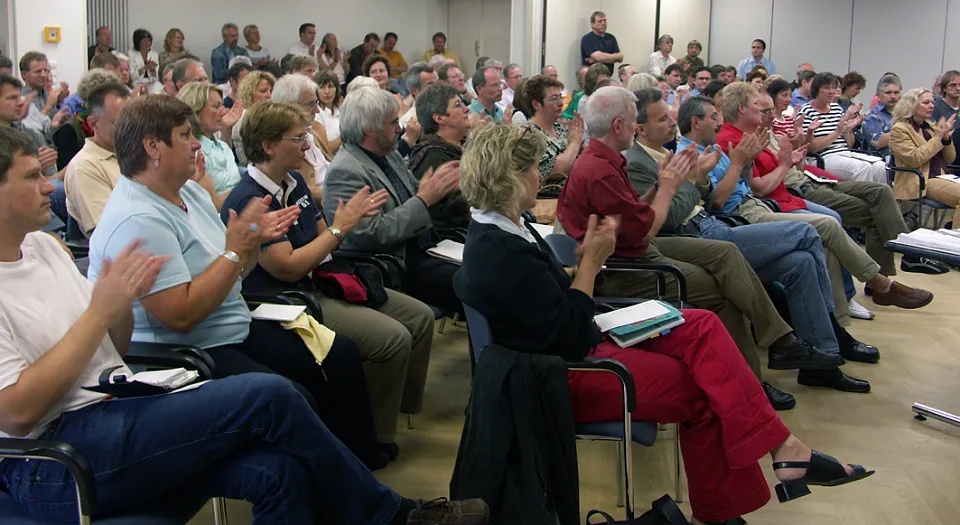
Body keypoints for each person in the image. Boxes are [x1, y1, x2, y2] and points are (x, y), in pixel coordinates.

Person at [0, 123, 489, 525]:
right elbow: (18, 414)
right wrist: (102, 311)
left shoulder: (45, 246)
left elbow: (114, 346)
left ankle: (387, 512)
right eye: (30, 178)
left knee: (282, 473)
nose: (50, 184)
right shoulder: (130, 219)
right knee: (271, 394)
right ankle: (391, 515)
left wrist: (118, 307)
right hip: (52, 460)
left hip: (120, 400)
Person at [454, 120, 873, 525]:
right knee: (706, 388)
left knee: (702, 324)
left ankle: (782, 452)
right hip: (559, 374)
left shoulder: (510, 229)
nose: (538, 176)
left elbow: (540, 299)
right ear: (507, 178)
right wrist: (591, 267)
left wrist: (578, 267)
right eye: (529, 169)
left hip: (569, 346)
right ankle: (736, 496)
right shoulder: (499, 248)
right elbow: (566, 333)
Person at [85, 95, 381, 470]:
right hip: (191, 350)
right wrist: (234, 252)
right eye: (184, 134)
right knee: (296, 397)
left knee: (339, 356)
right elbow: (181, 317)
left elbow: (233, 275)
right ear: (152, 147)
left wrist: (249, 248)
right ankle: (344, 492)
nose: (196, 144)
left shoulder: (189, 192)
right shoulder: (138, 219)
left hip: (231, 326)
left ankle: (359, 471)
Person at [558, 86, 852, 393]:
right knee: (721, 287)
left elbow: (635, 213)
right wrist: (672, 186)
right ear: (620, 126)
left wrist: (663, 184)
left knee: (726, 254)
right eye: (635, 120)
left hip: (635, 247)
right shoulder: (601, 168)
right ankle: (751, 381)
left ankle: (778, 343)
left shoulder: (606, 159)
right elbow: (646, 229)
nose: (638, 126)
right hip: (623, 265)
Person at [223, 99, 437, 457]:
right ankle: (374, 438)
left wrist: (333, 233)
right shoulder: (251, 199)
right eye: (297, 138)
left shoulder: (292, 183)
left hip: (321, 279)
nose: (307, 145)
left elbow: (320, 243)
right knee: (393, 338)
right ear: (268, 146)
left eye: (306, 135)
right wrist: (341, 228)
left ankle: (393, 409)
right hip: (288, 301)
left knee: (420, 317)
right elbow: (288, 267)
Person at [718, 82, 932, 321]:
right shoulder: (735, 139)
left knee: (879, 194)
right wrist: (786, 162)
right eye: (759, 107)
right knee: (833, 222)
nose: (765, 113)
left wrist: (796, 152)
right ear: (741, 109)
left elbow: (781, 170)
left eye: (767, 109)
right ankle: (864, 293)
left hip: (802, 183)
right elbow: (757, 188)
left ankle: (893, 267)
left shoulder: (758, 134)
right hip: (786, 194)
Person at [764, 79, 930, 275]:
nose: (834, 91)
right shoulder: (761, 137)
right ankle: (886, 275)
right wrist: (817, 137)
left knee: (881, 186)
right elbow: (803, 159)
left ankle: (906, 252)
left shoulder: (776, 131)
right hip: (811, 174)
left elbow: (806, 161)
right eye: (764, 111)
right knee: (877, 208)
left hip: (815, 175)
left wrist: (841, 130)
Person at [322, 87, 463, 315]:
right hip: (394, 262)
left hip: (423, 247)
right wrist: (424, 198)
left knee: (484, 272)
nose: (400, 129)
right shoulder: (345, 172)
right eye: (393, 123)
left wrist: (441, 186)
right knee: (474, 284)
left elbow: (415, 192)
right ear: (370, 130)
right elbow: (370, 235)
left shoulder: (389, 154)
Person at [63, 82, 131, 237]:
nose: (129, 128)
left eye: (132, 121)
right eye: (119, 123)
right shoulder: (85, 167)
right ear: (93, 123)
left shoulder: (135, 153)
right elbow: (109, 233)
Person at [890, 88, 960, 230]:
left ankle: (951, 229)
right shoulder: (900, 129)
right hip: (922, 180)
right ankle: (954, 244)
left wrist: (946, 139)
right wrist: (938, 139)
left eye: (932, 102)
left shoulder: (930, 128)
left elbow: (950, 159)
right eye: (926, 102)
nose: (932, 106)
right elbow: (915, 159)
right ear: (912, 105)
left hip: (944, 177)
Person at [797, 73, 886, 183]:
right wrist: (836, 133)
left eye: (833, 88)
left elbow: (849, 144)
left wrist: (848, 130)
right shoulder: (806, 111)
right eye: (826, 88)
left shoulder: (836, 108)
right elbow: (810, 148)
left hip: (844, 152)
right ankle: (862, 199)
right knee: (862, 168)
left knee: (880, 166)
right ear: (816, 89)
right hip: (822, 157)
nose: (831, 91)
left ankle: (880, 199)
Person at [408, 84, 472, 228]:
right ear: (440, 118)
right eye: (458, 105)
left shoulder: (460, 147)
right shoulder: (434, 158)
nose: (466, 109)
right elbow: (465, 211)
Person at [177, 83, 244, 204]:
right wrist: (249, 185)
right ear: (196, 111)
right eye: (216, 107)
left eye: (222, 106)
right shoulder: (194, 153)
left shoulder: (222, 145)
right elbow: (214, 204)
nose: (223, 112)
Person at [271, 74, 333, 198]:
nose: (317, 110)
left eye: (317, 103)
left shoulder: (313, 131)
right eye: (311, 104)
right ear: (289, 106)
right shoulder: (281, 145)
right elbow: (300, 195)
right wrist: (342, 193)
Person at [526, 75, 584, 183]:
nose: (561, 103)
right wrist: (575, 143)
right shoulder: (528, 134)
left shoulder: (560, 129)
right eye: (554, 99)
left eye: (560, 97)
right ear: (536, 104)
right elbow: (555, 171)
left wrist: (582, 142)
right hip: (547, 197)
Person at [231, 70, 275, 165]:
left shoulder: (270, 116)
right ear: (249, 94)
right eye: (263, 91)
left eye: (270, 91)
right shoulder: (243, 117)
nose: (269, 95)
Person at [861, 74, 901, 157]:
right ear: (878, 95)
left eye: (896, 93)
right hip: (883, 160)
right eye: (888, 93)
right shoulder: (872, 116)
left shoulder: (904, 114)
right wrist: (904, 129)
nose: (893, 96)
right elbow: (877, 143)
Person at [577, 63, 611, 143]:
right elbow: (586, 129)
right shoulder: (585, 100)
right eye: (602, 75)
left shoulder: (608, 95)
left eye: (607, 75)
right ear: (593, 80)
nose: (606, 78)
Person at [581, 11, 622, 75]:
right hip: (592, 78)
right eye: (600, 21)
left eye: (605, 20)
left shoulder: (611, 37)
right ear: (592, 25)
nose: (603, 23)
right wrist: (613, 58)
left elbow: (620, 57)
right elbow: (598, 57)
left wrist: (600, 58)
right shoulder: (587, 39)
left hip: (607, 76)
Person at [400, 62, 438, 127]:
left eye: (438, 83)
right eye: (430, 84)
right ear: (414, 90)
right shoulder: (407, 122)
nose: (437, 88)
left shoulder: (449, 111)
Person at [315, 70, 343, 151]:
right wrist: (345, 135)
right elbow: (325, 149)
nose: (327, 91)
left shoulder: (340, 110)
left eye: (330, 86)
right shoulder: (316, 115)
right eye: (322, 87)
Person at [932, 70, 960, 145]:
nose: (958, 88)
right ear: (944, 88)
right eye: (953, 85)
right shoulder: (934, 107)